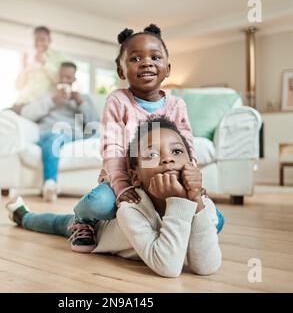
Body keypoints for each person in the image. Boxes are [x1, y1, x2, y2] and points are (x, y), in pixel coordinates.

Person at [51, 24, 224, 252]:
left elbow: (187, 147)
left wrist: (192, 180)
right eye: (135, 59)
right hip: (125, 180)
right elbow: (112, 148)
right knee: (99, 204)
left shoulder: (177, 105)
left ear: (168, 67)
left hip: (161, 179)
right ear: (121, 71)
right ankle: (83, 220)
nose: (146, 62)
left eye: (155, 56)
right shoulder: (117, 101)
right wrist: (122, 188)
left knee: (216, 221)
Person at [6, 117, 222, 277]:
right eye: (152, 155)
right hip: (100, 229)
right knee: (56, 223)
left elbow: (207, 266)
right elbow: (168, 267)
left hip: (186, 206)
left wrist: (196, 201)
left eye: (176, 152)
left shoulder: (202, 203)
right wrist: (177, 202)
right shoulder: (132, 207)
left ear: (192, 164)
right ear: (135, 176)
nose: (167, 160)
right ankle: (23, 215)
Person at [0, 26, 58, 191]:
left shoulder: (56, 58)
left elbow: (59, 80)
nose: (39, 43)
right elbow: (19, 85)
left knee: (3, 117)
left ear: (49, 41)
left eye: (43, 39)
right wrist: (23, 66)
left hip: (38, 109)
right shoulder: (31, 60)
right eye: (37, 39)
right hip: (22, 104)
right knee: (2, 132)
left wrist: (44, 63)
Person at [20, 62, 99, 201]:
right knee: (53, 138)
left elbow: (94, 124)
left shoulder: (83, 98)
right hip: (51, 133)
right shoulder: (48, 95)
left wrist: (80, 103)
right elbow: (26, 114)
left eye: (68, 77)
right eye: (61, 77)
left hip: (74, 135)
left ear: (74, 80)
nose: (64, 80)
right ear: (57, 78)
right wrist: (52, 100)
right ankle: (50, 183)